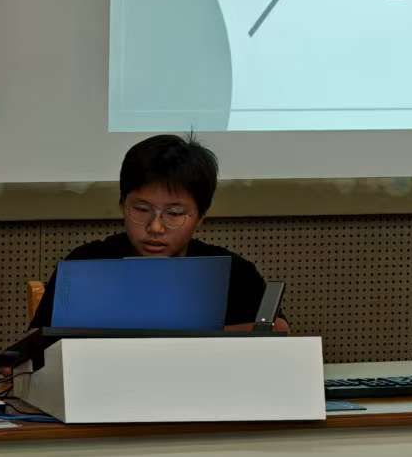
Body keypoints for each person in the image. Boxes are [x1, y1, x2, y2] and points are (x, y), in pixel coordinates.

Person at [25, 133, 284, 336]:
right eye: (141, 209)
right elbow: (34, 347)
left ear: (200, 217)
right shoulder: (86, 265)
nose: (155, 227)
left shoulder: (233, 273)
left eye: (174, 213)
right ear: (122, 206)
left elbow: (278, 332)